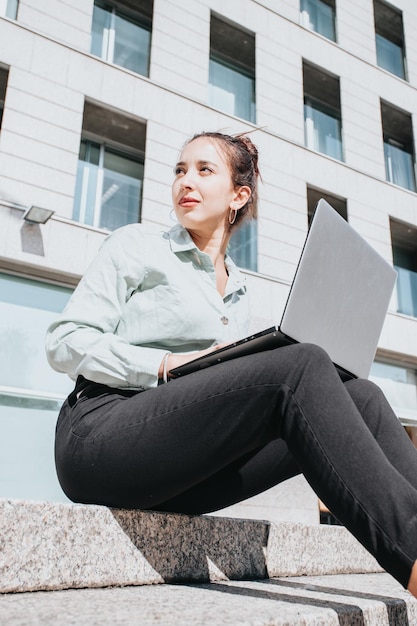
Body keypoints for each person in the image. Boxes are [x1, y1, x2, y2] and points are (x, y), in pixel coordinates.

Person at [46, 130, 417, 596]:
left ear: (239, 195)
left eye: (204, 170)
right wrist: (163, 364)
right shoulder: (137, 245)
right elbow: (64, 342)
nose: (186, 181)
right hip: (100, 433)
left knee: (362, 395)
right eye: (181, 170)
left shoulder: (238, 289)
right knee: (299, 367)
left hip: (180, 469)